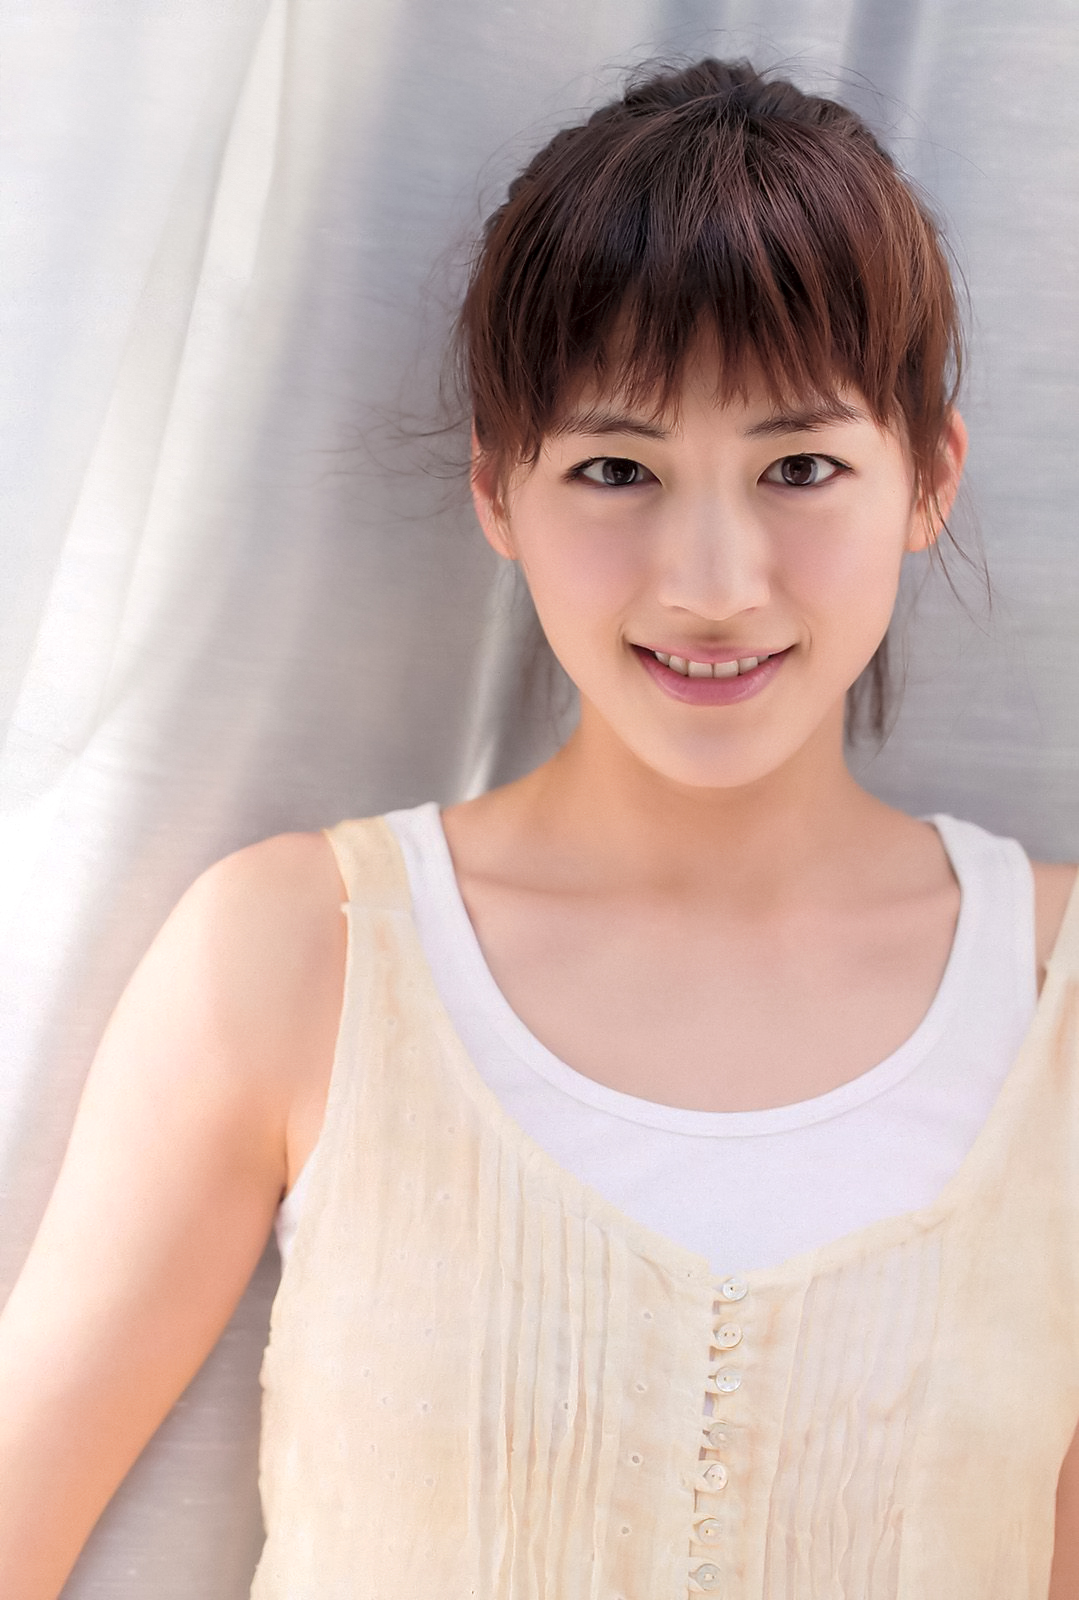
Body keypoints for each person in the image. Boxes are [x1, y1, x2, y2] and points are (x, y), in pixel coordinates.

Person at [1, 55, 1077, 1600]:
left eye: (800, 467)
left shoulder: (1055, 1001)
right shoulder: (303, 953)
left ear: (929, 479)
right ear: (499, 492)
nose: (713, 581)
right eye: (616, 469)